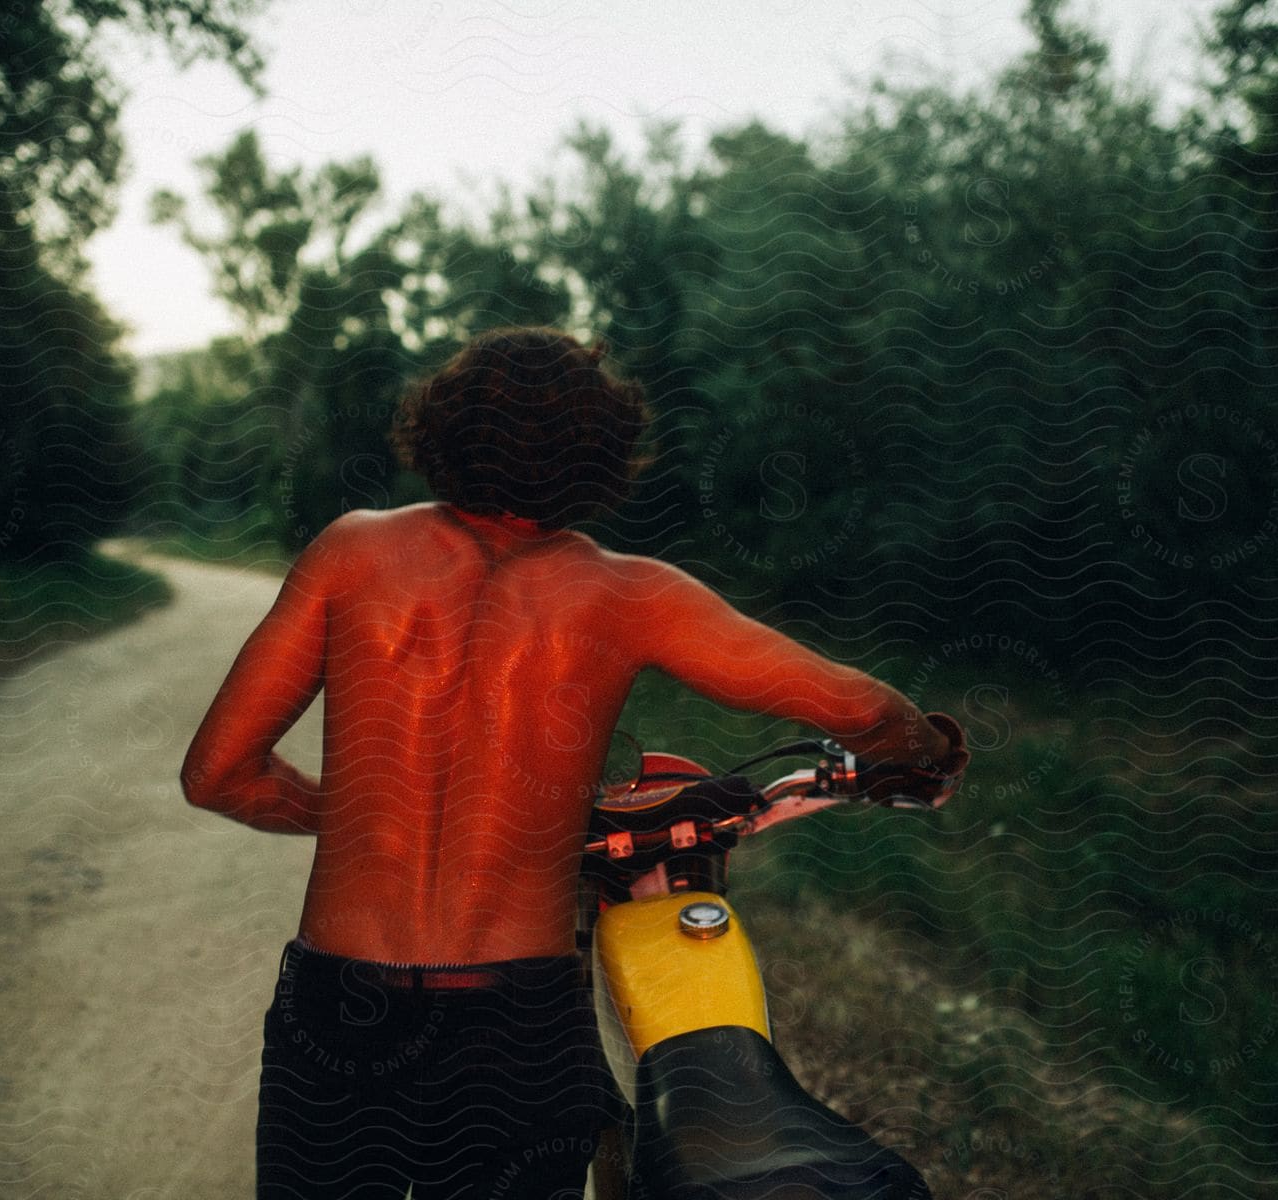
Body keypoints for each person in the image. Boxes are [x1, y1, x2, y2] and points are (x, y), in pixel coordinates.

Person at [180, 325, 972, 1199]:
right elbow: (859, 709)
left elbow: (219, 773)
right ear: (602, 455)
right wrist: (927, 755)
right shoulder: (631, 595)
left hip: (341, 1008)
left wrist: (374, 807)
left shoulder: (352, 551)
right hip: (514, 1023)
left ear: (443, 425)